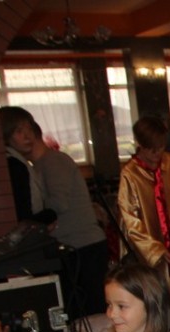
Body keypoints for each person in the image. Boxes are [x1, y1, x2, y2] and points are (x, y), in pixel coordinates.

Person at [27, 121, 109, 319]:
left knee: (91, 315)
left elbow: (59, 203)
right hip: (76, 246)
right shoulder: (42, 164)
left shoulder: (53, 161)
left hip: (83, 246)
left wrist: (34, 216)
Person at [116, 116, 170, 312]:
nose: (157, 154)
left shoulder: (169, 162)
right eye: (151, 149)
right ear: (140, 144)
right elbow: (130, 220)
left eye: (161, 147)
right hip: (147, 246)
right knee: (154, 295)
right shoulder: (130, 174)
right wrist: (156, 249)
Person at [0, 106, 56, 226]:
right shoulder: (15, 165)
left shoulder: (14, 162)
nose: (28, 136)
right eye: (19, 131)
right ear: (6, 135)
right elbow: (23, 216)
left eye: (30, 129)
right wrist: (50, 215)